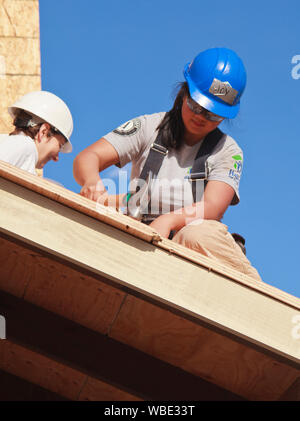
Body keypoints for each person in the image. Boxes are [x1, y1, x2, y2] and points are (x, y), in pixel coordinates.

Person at [73, 47, 261, 281]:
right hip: (140, 234)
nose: (201, 117)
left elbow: (212, 206)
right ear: (183, 93)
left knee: (195, 235)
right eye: (196, 106)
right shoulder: (149, 127)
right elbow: (87, 158)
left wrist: (168, 220)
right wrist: (92, 182)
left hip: (195, 245)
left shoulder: (228, 151)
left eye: (212, 115)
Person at [0, 90, 73, 175]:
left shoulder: (13, 145)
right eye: (59, 145)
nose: (56, 158)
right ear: (44, 132)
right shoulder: (24, 145)